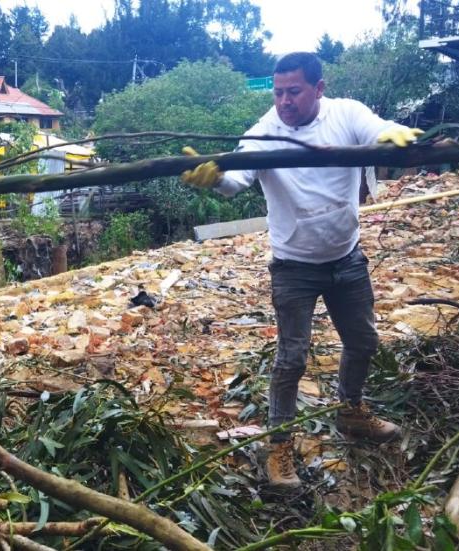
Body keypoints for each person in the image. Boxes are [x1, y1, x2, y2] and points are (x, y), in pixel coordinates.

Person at [181, 52, 422, 489]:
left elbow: (376, 129)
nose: (284, 101)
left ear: (318, 88)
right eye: (278, 92)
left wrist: (391, 133)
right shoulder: (263, 133)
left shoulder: (344, 114)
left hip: (347, 257)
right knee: (291, 359)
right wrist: (214, 177)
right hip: (293, 266)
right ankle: (279, 446)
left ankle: (351, 412)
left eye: (293, 91)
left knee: (363, 340)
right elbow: (237, 181)